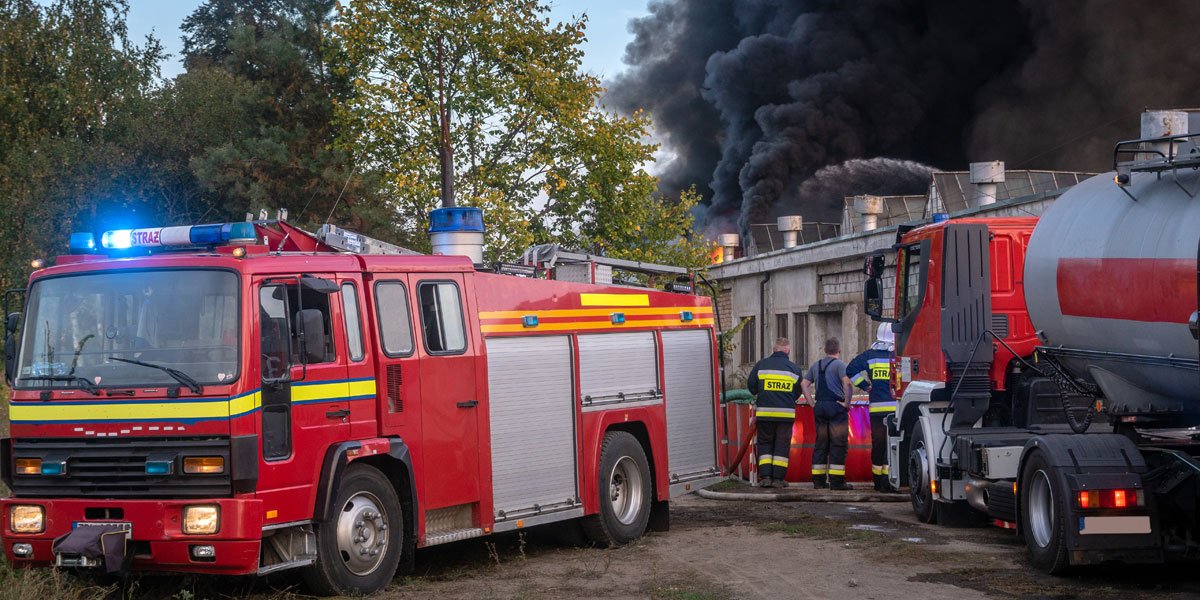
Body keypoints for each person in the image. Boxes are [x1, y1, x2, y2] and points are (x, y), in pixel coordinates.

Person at [746, 337, 804, 488]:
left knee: (764, 444)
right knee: (782, 445)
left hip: (765, 413)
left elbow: (751, 386)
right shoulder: (795, 369)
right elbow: (797, 392)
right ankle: (778, 479)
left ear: (774, 349)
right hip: (786, 415)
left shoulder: (761, 365)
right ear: (788, 351)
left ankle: (765, 477)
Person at [847, 324, 898, 492]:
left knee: (878, 444)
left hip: (876, 409)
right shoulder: (898, 355)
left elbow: (850, 369)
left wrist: (865, 386)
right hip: (896, 409)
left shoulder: (869, 356)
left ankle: (877, 482)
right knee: (893, 444)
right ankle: (889, 481)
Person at [801, 337, 855, 490]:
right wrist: (846, 403)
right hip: (836, 407)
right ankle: (837, 482)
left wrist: (811, 402)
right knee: (838, 444)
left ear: (824, 350)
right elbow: (847, 384)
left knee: (821, 444)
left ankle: (818, 481)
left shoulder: (816, 365)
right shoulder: (840, 365)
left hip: (820, 406)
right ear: (839, 350)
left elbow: (804, 384)